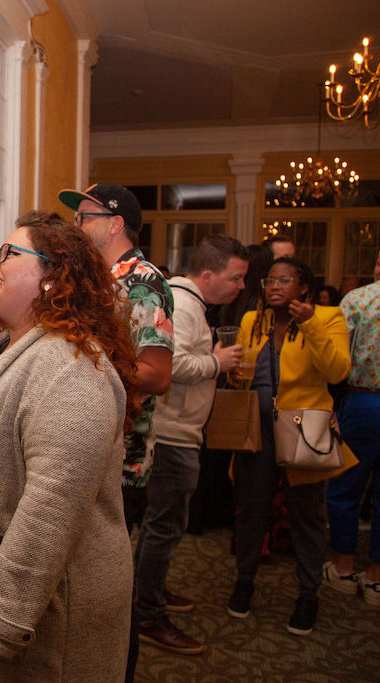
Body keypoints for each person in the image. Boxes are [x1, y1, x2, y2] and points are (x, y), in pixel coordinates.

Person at [0, 212, 139, 682]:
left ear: (52, 277)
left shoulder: (73, 369)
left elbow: (51, 509)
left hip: (50, 606)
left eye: (9, 253)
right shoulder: (11, 346)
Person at [58, 183, 173, 682]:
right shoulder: (93, 281)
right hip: (85, 445)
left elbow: (157, 374)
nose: (77, 226)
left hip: (121, 459)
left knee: (108, 588)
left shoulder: (143, 283)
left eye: (84, 217)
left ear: (115, 222)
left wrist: (79, 369)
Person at [228, 257, 355, 636]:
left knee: (306, 515)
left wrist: (310, 323)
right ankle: (244, 581)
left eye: (285, 280)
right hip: (257, 428)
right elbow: (240, 376)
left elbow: (337, 372)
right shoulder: (253, 320)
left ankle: (308, 594)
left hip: (304, 429)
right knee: (252, 510)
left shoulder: (328, 318)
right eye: (270, 280)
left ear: (304, 288)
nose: (275, 286)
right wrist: (234, 372)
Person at [134, 235, 248, 655]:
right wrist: (217, 362)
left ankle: (148, 590)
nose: (241, 286)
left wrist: (212, 357)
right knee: (164, 527)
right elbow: (171, 365)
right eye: (235, 278)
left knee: (161, 525)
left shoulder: (191, 304)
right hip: (170, 433)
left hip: (179, 429)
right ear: (208, 275)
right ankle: (147, 612)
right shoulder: (181, 305)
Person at [324, 227, 380, 607]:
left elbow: (337, 361)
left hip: (367, 402)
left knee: (345, 486)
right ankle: (376, 579)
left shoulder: (360, 299)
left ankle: (343, 568)